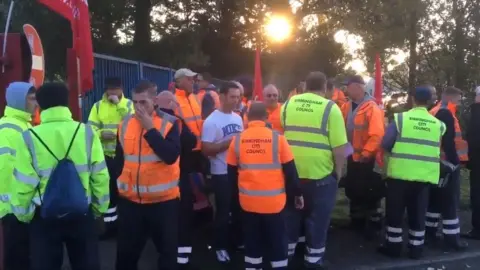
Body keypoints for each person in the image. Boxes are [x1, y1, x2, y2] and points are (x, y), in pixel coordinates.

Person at [11, 82, 110, 270]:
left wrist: (24, 216)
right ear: (67, 103)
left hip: (44, 217)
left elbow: (24, 184)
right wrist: (98, 210)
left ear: (40, 106)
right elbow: (100, 176)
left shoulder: (29, 137)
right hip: (82, 212)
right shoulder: (87, 132)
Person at [282, 72, 348, 269]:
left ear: (304, 85)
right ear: (326, 87)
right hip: (320, 175)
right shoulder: (331, 108)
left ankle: (286, 257)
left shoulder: (287, 105)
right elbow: (339, 148)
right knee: (317, 220)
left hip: (291, 174)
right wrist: (338, 172)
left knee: (291, 216)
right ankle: (313, 261)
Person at [226, 102, 303, 270]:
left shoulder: (237, 141)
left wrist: (234, 203)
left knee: (252, 242)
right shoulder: (279, 139)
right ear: (266, 117)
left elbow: (230, 176)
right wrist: (297, 194)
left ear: (247, 117)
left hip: (248, 204)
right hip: (274, 204)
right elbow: (291, 172)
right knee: (277, 241)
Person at [114, 81, 181, 270]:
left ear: (155, 100)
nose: (138, 107)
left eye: (143, 102)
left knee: (167, 255)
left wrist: (150, 129)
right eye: (135, 102)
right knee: (126, 255)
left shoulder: (170, 123)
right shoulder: (125, 124)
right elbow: (121, 161)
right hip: (131, 203)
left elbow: (170, 156)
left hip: (163, 203)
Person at [378, 86, 445, 259]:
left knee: (395, 214)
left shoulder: (400, 119)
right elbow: (437, 148)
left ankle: (393, 248)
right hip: (425, 177)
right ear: (430, 101)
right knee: (418, 215)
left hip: (399, 175)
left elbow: (386, 143)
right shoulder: (438, 125)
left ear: (413, 99)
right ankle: (416, 250)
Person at [201, 81, 243, 263]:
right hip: (221, 172)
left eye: (238, 97)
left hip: (239, 172)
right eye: (232, 96)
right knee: (223, 212)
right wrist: (229, 143)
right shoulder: (211, 121)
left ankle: (237, 242)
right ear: (223, 96)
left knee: (239, 209)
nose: (236, 100)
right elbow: (206, 150)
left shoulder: (238, 118)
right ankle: (220, 246)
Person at [87, 77, 134, 239]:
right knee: (109, 192)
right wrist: (100, 134)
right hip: (105, 156)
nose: (112, 92)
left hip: (126, 156)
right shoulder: (98, 106)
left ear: (121, 89)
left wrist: (119, 106)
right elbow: (90, 128)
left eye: (115, 89)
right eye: (110, 89)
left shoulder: (128, 105)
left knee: (125, 191)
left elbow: (132, 124)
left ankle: (127, 226)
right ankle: (109, 227)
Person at [340, 75, 385, 237]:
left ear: (358, 87)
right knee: (353, 188)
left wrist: (367, 153)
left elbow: (377, 134)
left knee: (368, 189)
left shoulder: (372, 108)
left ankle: (373, 223)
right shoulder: (346, 106)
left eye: (348, 86)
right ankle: (356, 221)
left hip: (366, 159)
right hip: (352, 157)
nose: (346, 89)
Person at [0, 82, 37, 270]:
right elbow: (5, 172)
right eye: (31, 99)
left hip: (17, 206)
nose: (36, 103)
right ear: (18, 101)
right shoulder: (12, 130)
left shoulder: (20, 126)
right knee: (17, 259)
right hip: (14, 209)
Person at [426, 86, 468, 250]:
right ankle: (452, 240)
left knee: (435, 201)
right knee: (450, 203)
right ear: (451, 98)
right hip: (447, 163)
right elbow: (448, 141)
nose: (459, 102)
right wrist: (455, 162)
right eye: (458, 99)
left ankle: (430, 233)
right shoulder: (446, 113)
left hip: (435, 162)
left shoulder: (435, 111)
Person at [174, 68, 206, 267]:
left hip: (198, 151)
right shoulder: (174, 101)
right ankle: (183, 233)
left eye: (194, 79)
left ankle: (195, 225)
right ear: (180, 81)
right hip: (183, 154)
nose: (193, 81)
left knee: (198, 190)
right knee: (185, 193)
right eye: (190, 79)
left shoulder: (194, 98)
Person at [464, 86, 480, 239]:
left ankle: (478, 229)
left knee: (477, 194)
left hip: (478, 162)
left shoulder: (477, 113)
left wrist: (469, 159)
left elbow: (474, 139)